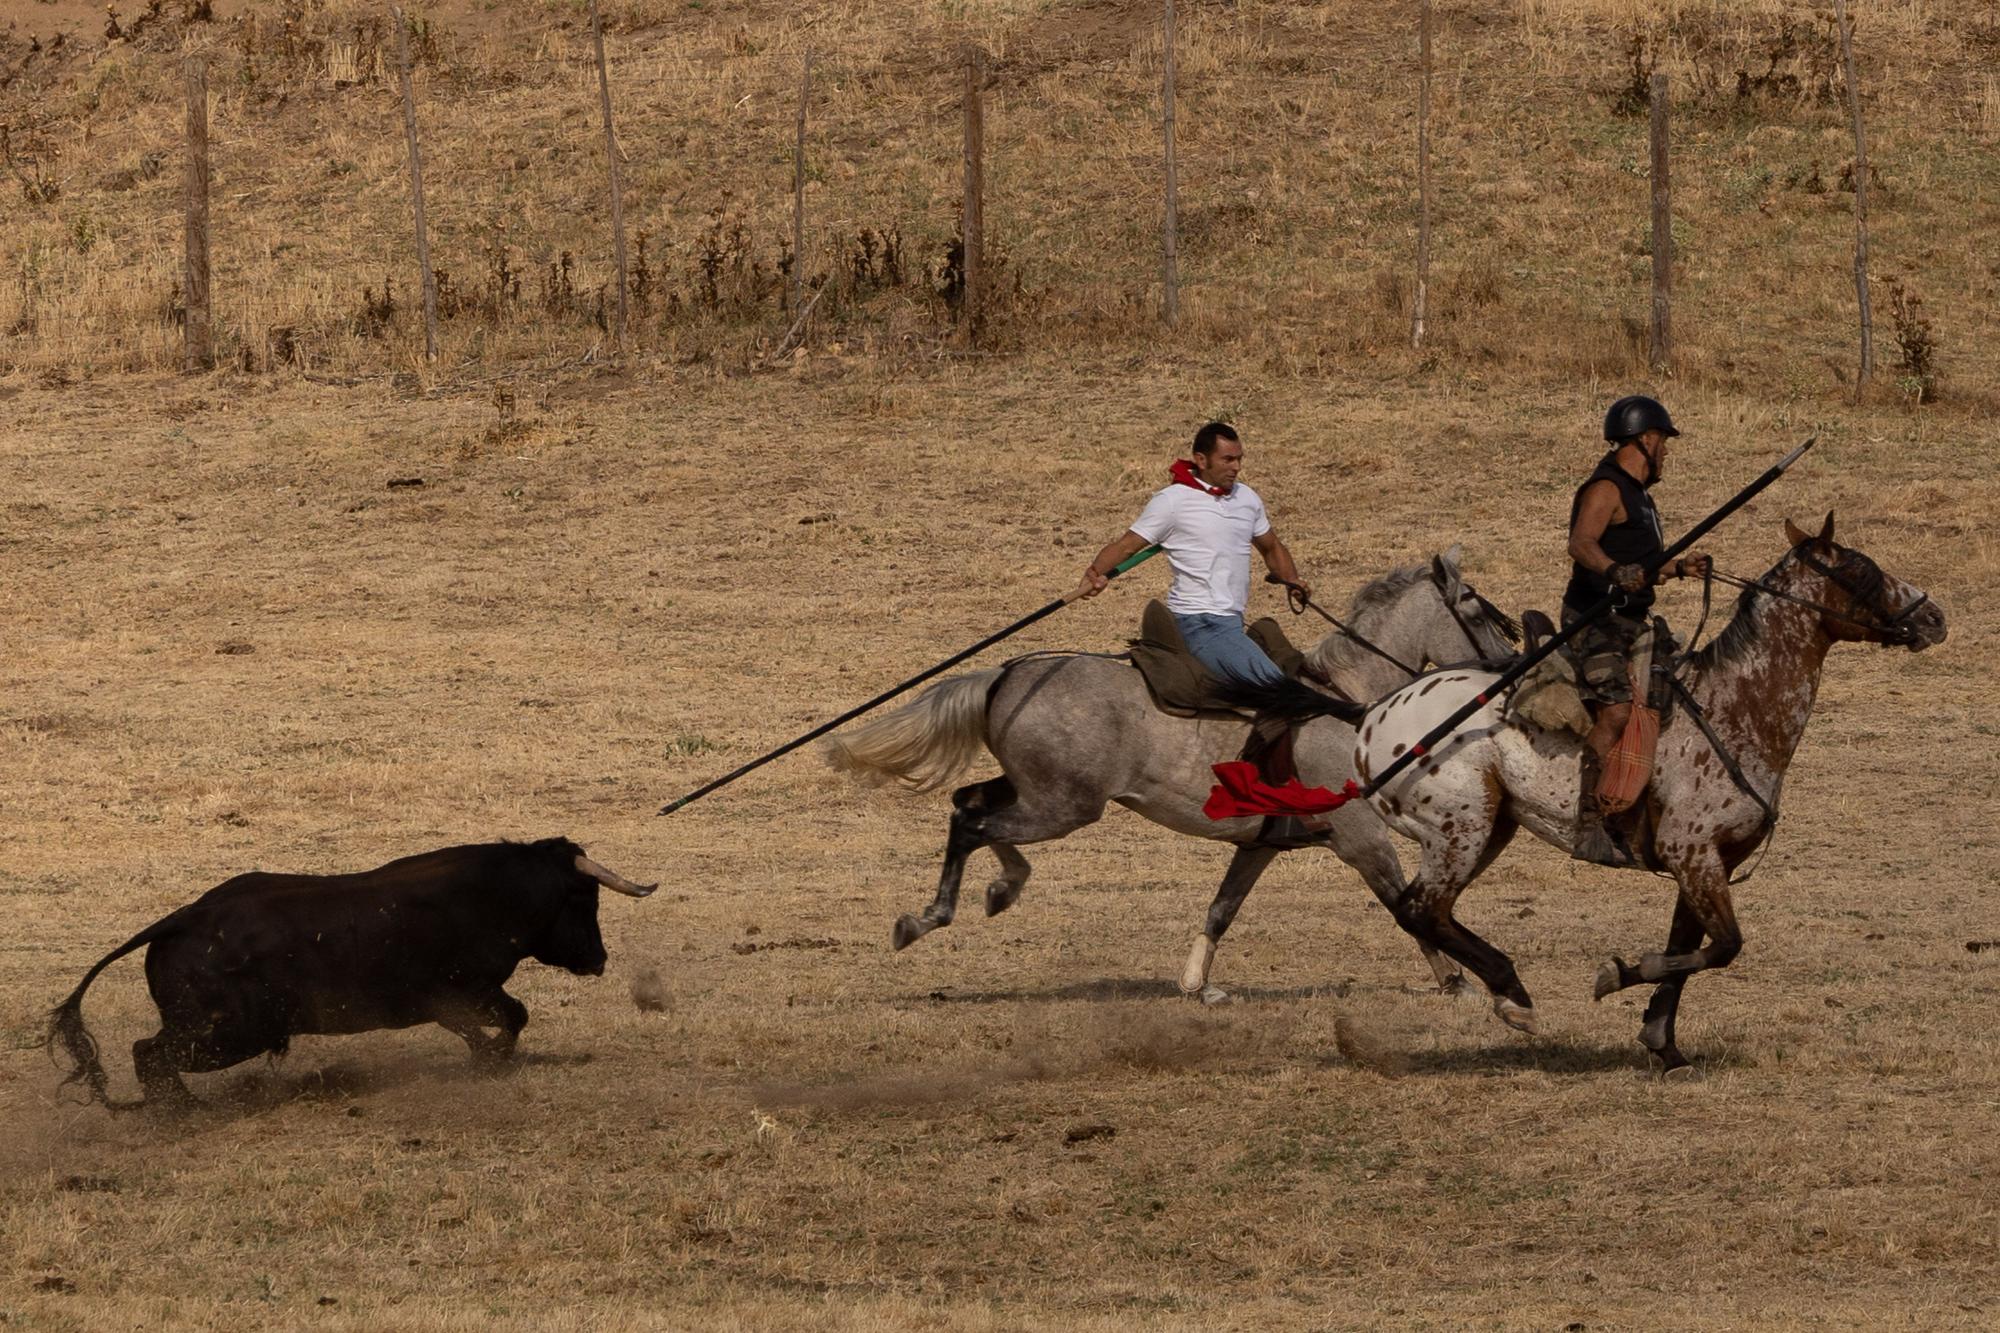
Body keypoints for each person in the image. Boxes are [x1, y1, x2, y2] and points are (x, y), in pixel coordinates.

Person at [1563, 394, 1711, 865]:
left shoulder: (1643, 500)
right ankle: (1590, 824)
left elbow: (1644, 568)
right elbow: (1581, 544)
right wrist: (1611, 571)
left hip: (1632, 619)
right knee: (1617, 712)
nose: (1666, 452)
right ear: (1645, 440)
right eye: (1663, 442)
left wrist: (1679, 569)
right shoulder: (1606, 488)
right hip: (1595, 620)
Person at [1074, 421, 1307, 690]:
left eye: (1239, 459)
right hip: (1198, 622)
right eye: (1228, 459)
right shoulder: (1172, 501)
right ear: (1201, 459)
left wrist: (1292, 580)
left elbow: (1271, 546)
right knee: (1278, 690)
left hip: (1231, 622)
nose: (1237, 467)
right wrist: (1094, 574)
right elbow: (1127, 546)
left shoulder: (1247, 498)